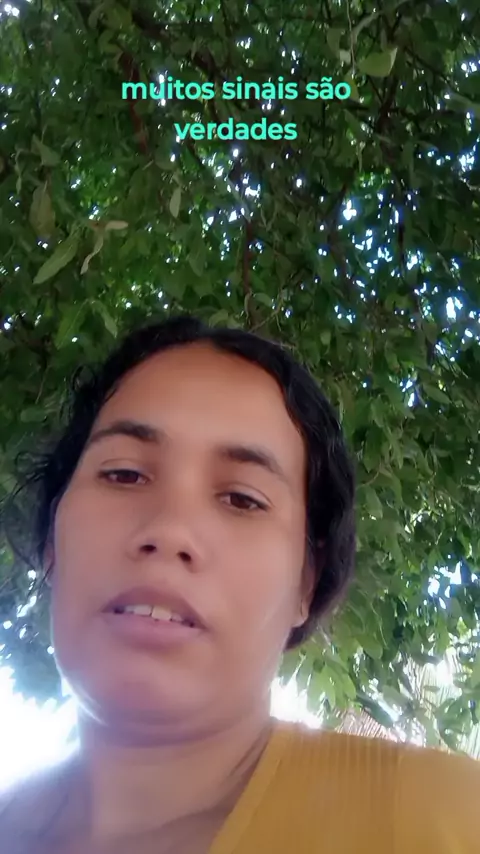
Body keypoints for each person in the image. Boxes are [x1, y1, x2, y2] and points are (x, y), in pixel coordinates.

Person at [0, 313, 478, 854]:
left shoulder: (443, 822)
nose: (169, 530)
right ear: (53, 539)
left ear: (306, 582)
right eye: (124, 474)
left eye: (242, 499)